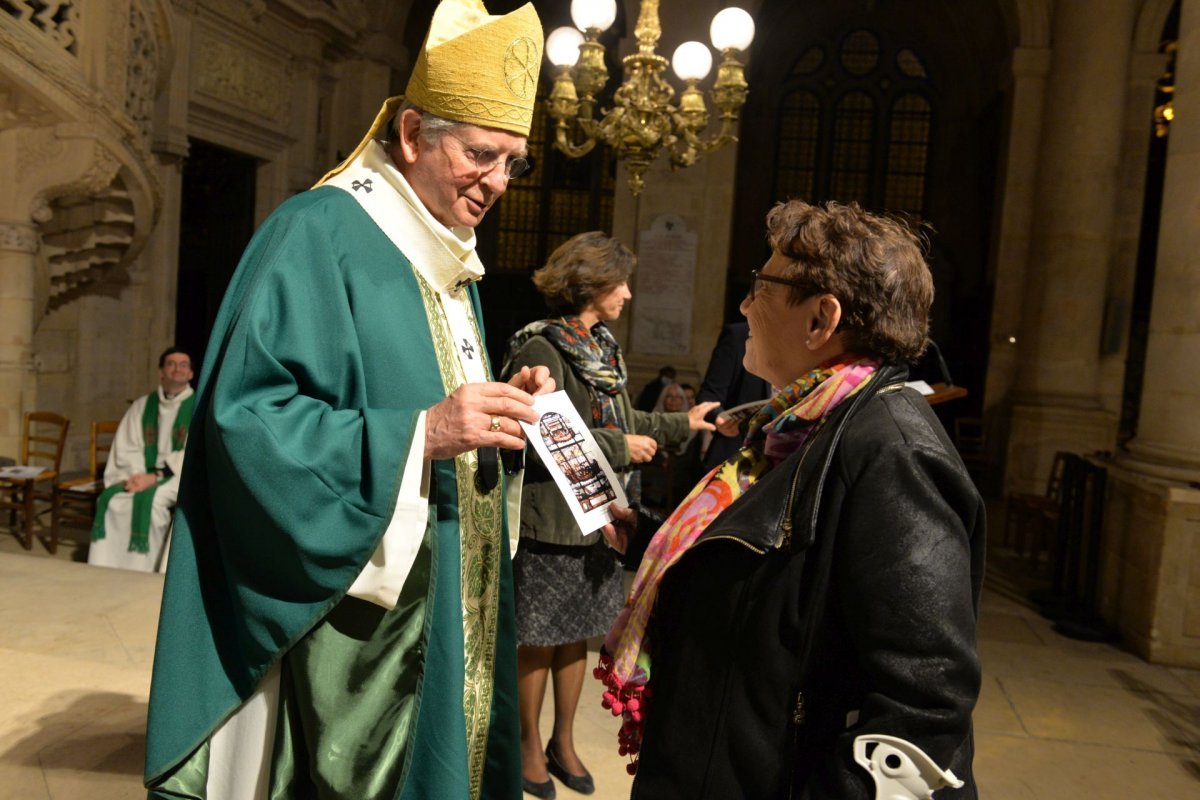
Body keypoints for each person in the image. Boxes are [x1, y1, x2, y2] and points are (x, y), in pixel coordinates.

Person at [144, 3, 554, 799]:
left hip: (447, 606)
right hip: (359, 631)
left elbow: (422, 379)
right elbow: (245, 422)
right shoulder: (318, 231)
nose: (498, 183)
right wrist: (422, 433)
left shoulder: (443, 251)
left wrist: (501, 402)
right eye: (481, 154)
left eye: (514, 163)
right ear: (410, 135)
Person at [598, 200, 985, 798]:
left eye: (761, 287)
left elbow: (925, 706)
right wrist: (655, 540)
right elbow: (786, 572)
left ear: (820, 319)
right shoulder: (797, 425)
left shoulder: (891, 452)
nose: (745, 305)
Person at [502, 232, 717, 800]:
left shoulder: (602, 346)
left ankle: (562, 741)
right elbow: (544, 435)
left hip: (600, 516)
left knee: (577, 638)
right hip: (550, 521)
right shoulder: (541, 347)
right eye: (619, 282)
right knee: (539, 641)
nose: (627, 293)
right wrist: (623, 449)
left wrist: (685, 423)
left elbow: (627, 419)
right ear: (591, 283)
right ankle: (527, 746)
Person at [87, 347, 194, 573]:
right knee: (112, 500)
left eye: (183, 365)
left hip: (179, 475)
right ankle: (106, 568)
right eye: (171, 364)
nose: (177, 369)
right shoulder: (142, 406)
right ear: (161, 372)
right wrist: (137, 475)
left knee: (154, 504)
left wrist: (155, 477)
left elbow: (194, 454)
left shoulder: (198, 408)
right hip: (139, 473)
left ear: (191, 374)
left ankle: (148, 570)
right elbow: (127, 445)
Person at [694, 321, 772, 474]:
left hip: (782, 459)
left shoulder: (804, 337)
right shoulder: (738, 335)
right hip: (736, 458)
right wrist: (719, 417)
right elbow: (709, 394)